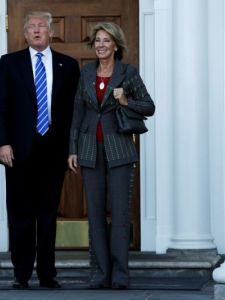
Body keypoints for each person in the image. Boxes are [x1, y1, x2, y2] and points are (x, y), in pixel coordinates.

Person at [0, 11, 80, 289]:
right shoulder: (9, 63)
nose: (37, 30)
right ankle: (21, 274)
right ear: (25, 34)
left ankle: (47, 274)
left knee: (48, 215)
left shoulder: (69, 65)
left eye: (42, 26)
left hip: (54, 152)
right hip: (18, 152)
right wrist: (2, 142)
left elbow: (75, 112)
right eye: (32, 27)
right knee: (20, 215)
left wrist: (72, 149)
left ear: (51, 31)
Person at [67, 22, 155, 289]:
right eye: (97, 41)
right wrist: (72, 149)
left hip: (120, 150)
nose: (101, 45)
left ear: (116, 45)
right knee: (94, 214)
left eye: (106, 41)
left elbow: (149, 107)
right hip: (90, 149)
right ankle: (100, 273)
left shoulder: (128, 73)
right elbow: (78, 112)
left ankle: (120, 274)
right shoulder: (86, 73)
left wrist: (126, 100)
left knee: (119, 213)